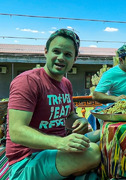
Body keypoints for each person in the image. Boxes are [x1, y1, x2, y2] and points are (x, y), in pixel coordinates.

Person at [6, 29, 101, 179]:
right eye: (56, 51)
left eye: (68, 54)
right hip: (28, 160)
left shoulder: (66, 84)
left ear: (74, 60)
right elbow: (16, 131)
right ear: (46, 52)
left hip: (58, 150)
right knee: (94, 152)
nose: (61, 58)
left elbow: (69, 115)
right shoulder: (28, 81)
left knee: (106, 136)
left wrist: (80, 120)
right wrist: (60, 143)